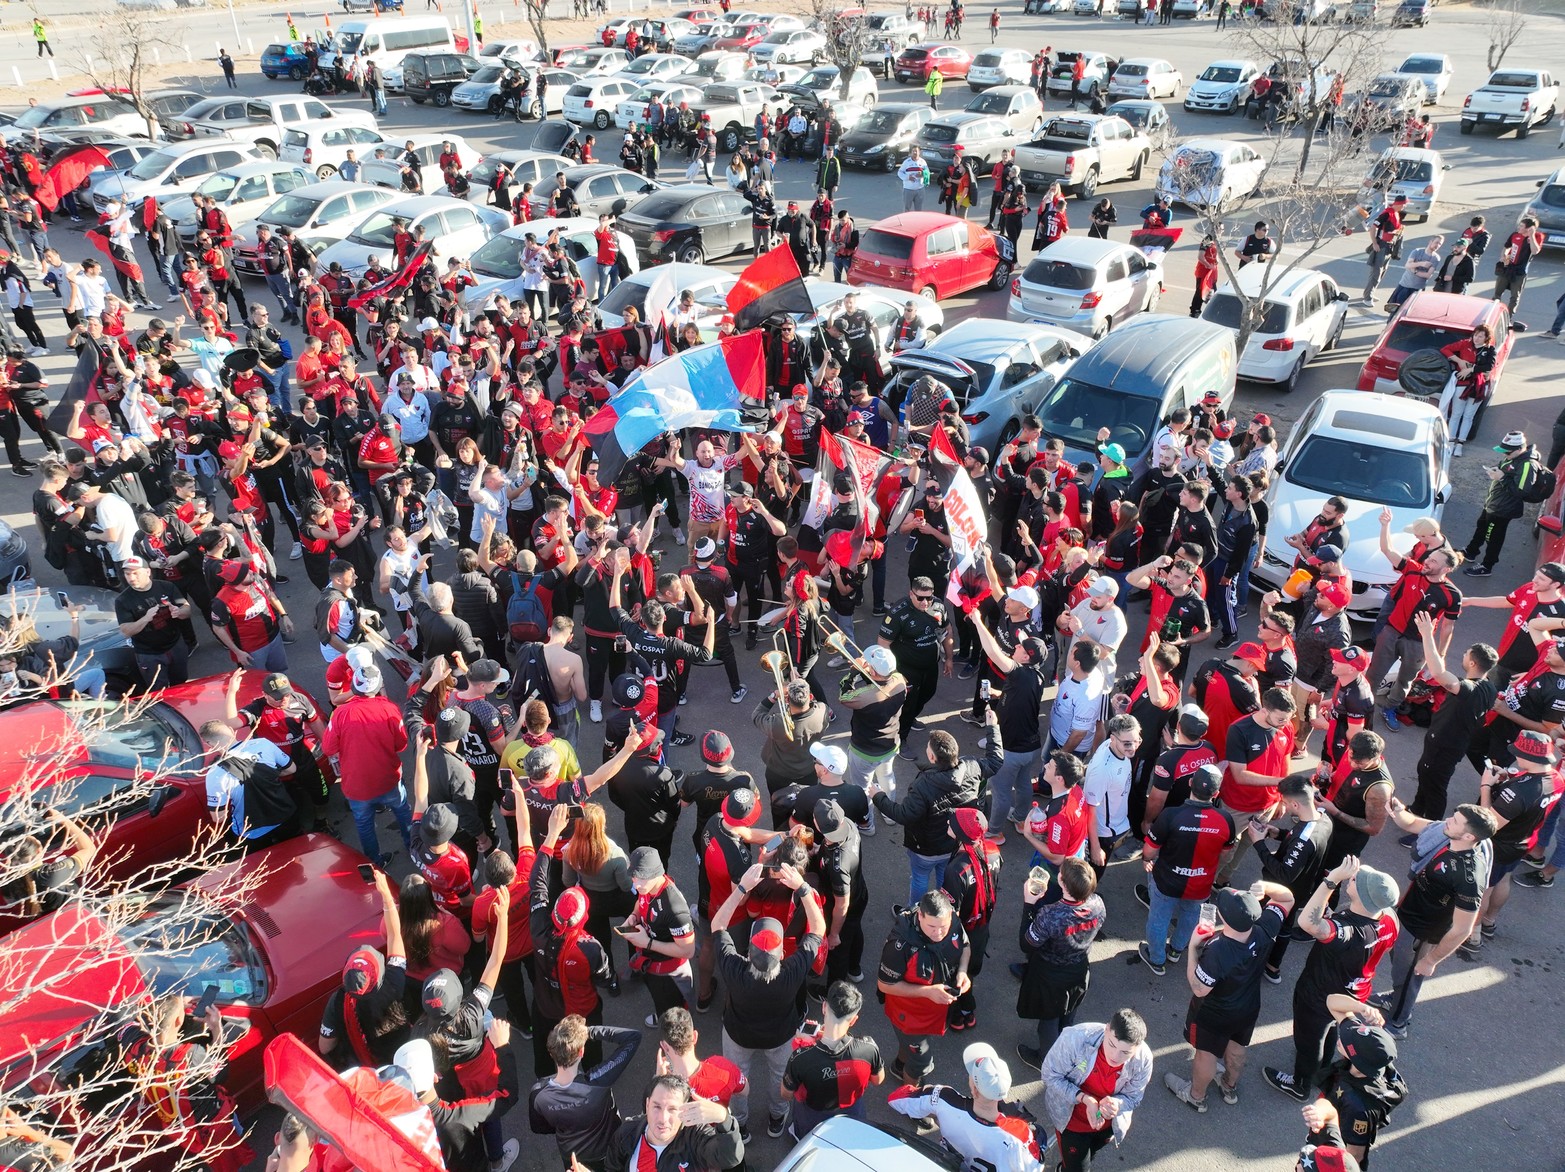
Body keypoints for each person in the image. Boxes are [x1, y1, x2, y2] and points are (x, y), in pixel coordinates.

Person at [1264, 856, 1400, 1101]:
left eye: (1358, 880)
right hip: (1356, 989)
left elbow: (1307, 922)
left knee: (1309, 1038)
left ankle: (1300, 1084)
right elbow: (1384, 946)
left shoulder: (1346, 931)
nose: (1353, 876)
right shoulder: (1388, 918)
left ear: (1364, 898)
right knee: (1332, 1027)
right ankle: (1325, 1067)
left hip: (1321, 993)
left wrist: (1331, 880)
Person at [710, 860, 825, 1140]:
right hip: (780, 1035)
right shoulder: (790, 972)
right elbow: (818, 929)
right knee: (779, 1076)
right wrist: (802, 887)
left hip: (739, 1034)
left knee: (737, 1077)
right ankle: (776, 1118)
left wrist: (741, 889)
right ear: (782, 955)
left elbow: (717, 924)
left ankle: (740, 1124)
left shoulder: (734, 968)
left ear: (748, 952)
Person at [1164, 881, 1296, 1111]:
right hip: (1248, 1007)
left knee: (1206, 1054)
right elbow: (1287, 898)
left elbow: (1199, 988)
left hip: (1214, 1014)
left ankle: (1196, 1096)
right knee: (1237, 1048)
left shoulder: (1217, 950)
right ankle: (1229, 1086)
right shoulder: (1265, 928)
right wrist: (1265, 886)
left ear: (1225, 919)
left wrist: (1194, 947)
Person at [1380, 798, 1496, 1036]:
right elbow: (1414, 824)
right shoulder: (1449, 834)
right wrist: (1398, 811)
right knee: (1401, 969)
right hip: (1408, 914)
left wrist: (1431, 960)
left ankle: (1398, 1023)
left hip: (1422, 932)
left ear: (1469, 837)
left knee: (1410, 975)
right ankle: (1396, 997)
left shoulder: (1469, 877)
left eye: (1455, 821)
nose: (1448, 821)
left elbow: (1463, 929)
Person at [1138, 763, 1235, 975]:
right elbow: (1226, 854)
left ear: (1190, 783)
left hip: (1166, 881)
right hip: (1201, 884)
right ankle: (1176, 950)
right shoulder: (1226, 820)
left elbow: (1149, 850)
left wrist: (1146, 859)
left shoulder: (1171, 815)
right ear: (1216, 793)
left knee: (1158, 919)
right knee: (1190, 917)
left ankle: (1156, 959)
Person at [888, 1041, 1042, 1167]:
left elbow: (896, 1099)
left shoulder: (944, 1098)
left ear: (974, 1089)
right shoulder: (1019, 1132)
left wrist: (930, 1104)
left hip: (946, 1164)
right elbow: (1035, 1166)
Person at [1015, 857, 1106, 1069]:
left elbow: (1026, 944)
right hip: (1080, 969)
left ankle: (1045, 1060)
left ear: (1062, 884)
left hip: (1050, 975)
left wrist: (1029, 904)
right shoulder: (1098, 904)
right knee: (1068, 1013)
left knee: (1048, 1020)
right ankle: (1065, 1045)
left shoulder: (1051, 914)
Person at [1038, 1010, 1153, 1172]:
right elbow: (1050, 1075)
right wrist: (1083, 1098)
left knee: (1087, 1155)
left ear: (1138, 1047)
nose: (1114, 1056)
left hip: (1106, 1126)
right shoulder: (1076, 1038)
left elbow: (1134, 1097)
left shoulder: (1144, 1060)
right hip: (1071, 1122)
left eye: (1125, 1052)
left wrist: (1118, 1103)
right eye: (1111, 1044)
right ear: (1106, 1030)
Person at [322, 660, 413, 863]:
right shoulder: (389, 709)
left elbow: (328, 749)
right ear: (379, 685)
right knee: (403, 812)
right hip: (388, 778)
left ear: (354, 686)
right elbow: (402, 745)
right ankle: (412, 847)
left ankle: (375, 862)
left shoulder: (339, 714)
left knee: (364, 825)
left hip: (356, 785)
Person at [876, 889, 970, 1086]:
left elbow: (965, 945)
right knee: (921, 1062)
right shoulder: (900, 944)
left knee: (909, 1050)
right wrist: (927, 992)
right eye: (932, 927)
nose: (938, 933)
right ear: (919, 915)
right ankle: (910, 1100)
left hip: (936, 1010)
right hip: (909, 1015)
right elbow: (884, 984)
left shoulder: (952, 921)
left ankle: (900, 1066)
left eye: (942, 927)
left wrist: (962, 971)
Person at [527, 1016, 644, 1170]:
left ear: (551, 1053)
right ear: (581, 1051)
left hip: (571, 1156)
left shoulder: (538, 1093)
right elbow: (633, 1037)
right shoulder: (597, 1082)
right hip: (607, 1151)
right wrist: (589, 1032)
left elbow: (539, 1128)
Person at [319, 871, 410, 1067]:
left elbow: (325, 1047)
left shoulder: (337, 1003)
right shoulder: (394, 982)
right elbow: (395, 936)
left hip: (370, 1066)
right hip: (403, 1056)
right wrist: (385, 894)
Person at [781, 980, 884, 1138]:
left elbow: (786, 1094)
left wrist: (804, 1043)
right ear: (854, 1019)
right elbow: (878, 1080)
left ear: (824, 1007)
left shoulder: (801, 1057)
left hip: (812, 1116)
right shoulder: (869, 1048)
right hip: (852, 1112)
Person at [598, 1074, 743, 1172]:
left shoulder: (695, 1136)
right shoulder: (627, 1134)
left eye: (673, 1109)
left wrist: (724, 1118)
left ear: (685, 1109)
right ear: (647, 1105)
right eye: (657, 1106)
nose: (662, 1118)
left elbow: (729, 1158)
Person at [1460, 429, 1539, 576]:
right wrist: (1497, 472)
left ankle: (1487, 566)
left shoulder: (1528, 464)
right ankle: (1471, 551)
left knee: (1493, 537)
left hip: (1503, 509)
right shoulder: (1513, 458)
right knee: (1481, 527)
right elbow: (1506, 472)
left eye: (1507, 452)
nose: (1504, 455)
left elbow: (1521, 491)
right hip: (1493, 503)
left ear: (1519, 449)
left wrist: (1501, 477)